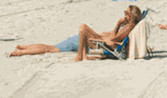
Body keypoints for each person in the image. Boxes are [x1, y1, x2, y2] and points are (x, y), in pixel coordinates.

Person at [10, 5, 143, 61]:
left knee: (52, 48)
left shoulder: (126, 27)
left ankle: (21, 51)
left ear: (130, 16)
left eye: (125, 13)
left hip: (88, 41)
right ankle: (24, 48)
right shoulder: (129, 27)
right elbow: (114, 39)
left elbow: (112, 41)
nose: (123, 15)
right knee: (51, 47)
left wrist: (117, 25)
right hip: (88, 40)